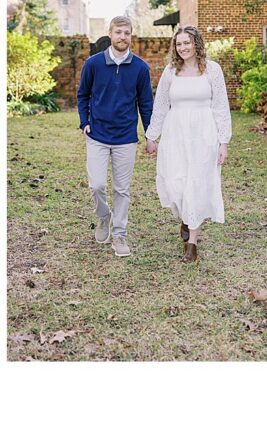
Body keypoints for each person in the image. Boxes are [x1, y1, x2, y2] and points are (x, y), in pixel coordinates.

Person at [145, 26, 232, 263]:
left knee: (198, 183)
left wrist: (223, 142)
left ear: (197, 44)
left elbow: (221, 106)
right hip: (176, 133)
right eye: (179, 44)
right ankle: (186, 217)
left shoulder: (212, 70)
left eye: (187, 43)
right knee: (176, 182)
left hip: (204, 133)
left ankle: (192, 244)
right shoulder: (171, 71)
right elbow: (161, 104)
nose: (183, 48)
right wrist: (152, 136)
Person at [77, 16, 154, 257]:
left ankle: (119, 234)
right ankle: (103, 216)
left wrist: (150, 135)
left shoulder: (140, 68)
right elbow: (83, 95)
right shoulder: (93, 64)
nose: (123, 37)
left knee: (122, 190)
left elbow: (145, 103)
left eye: (127, 33)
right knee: (97, 184)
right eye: (118, 32)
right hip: (98, 135)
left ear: (132, 36)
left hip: (126, 138)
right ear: (110, 34)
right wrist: (84, 122)